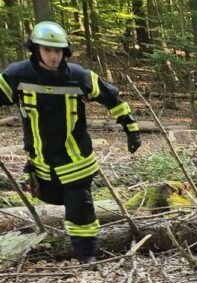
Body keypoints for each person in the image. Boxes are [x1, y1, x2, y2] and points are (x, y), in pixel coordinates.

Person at [0, 21, 141, 263]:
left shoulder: (80, 76)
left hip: (76, 158)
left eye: (58, 51)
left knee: (80, 206)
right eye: (48, 50)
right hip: (41, 160)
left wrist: (131, 129)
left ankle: (87, 255)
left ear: (65, 52)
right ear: (36, 50)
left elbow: (113, 99)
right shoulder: (16, 75)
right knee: (52, 198)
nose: (54, 56)